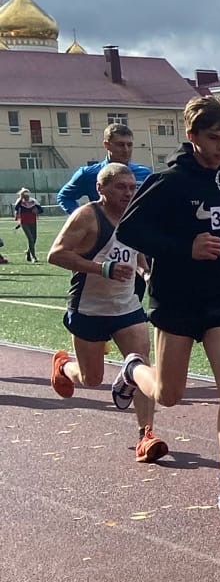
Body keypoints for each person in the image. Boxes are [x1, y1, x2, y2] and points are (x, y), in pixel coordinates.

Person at [112, 94, 220, 515]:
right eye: (214, 137)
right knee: (169, 394)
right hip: (176, 299)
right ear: (191, 135)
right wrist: (185, 247)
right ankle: (133, 370)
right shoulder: (168, 181)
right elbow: (129, 231)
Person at [46, 161, 167, 463]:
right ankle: (63, 367)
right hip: (88, 307)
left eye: (132, 187)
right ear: (101, 189)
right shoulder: (87, 217)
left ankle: (146, 435)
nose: (128, 193)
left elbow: (136, 247)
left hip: (126, 307)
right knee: (91, 378)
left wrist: (146, 271)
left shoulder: (135, 214)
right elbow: (56, 255)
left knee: (141, 365)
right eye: (121, 187)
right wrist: (103, 268)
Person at [57, 121, 152, 213]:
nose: (126, 150)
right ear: (106, 145)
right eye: (120, 145)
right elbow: (64, 197)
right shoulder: (88, 173)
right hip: (104, 229)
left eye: (129, 145)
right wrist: (84, 218)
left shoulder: (144, 173)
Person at [12, 189, 41, 262]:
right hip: (24, 222)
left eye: (27, 196)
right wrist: (21, 199)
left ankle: (28, 252)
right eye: (24, 196)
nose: (26, 198)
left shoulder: (33, 201)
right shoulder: (20, 201)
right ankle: (34, 257)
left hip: (33, 222)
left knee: (34, 239)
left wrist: (37, 210)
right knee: (30, 239)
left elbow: (41, 210)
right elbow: (16, 208)